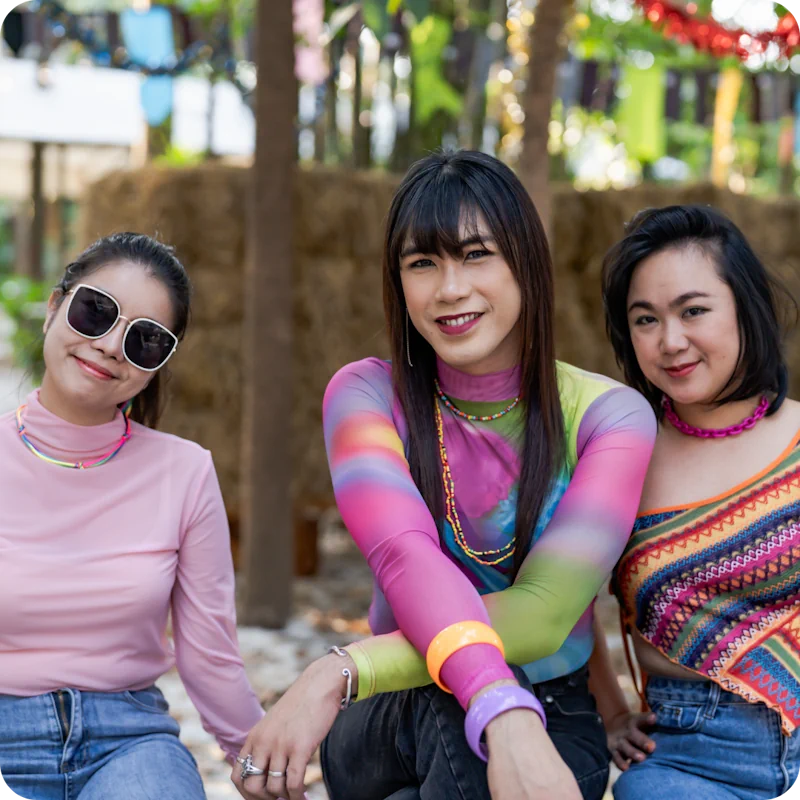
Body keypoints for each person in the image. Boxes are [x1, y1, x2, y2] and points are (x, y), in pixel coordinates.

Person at [234, 150, 656, 800]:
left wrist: (339, 669)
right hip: (392, 710)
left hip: (551, 708)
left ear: (526, 262)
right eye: (422, 263)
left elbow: (545, 617)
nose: (450, 288)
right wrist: (498, 705)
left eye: (477, 254)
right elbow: (402, 553)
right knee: (455, 714)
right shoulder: (367, 396)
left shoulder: (608, 419)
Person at [0, 233, 265, 799]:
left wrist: (255, 761)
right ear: (54, 307)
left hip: (127, 744)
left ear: (155, 366)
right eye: (96, 311)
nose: (112, 346)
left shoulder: (186, 473)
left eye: (145, 340)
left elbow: (211, 654)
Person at [592, 204, 800, 799]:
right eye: (646, 319)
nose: (671, 341)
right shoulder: (616, 454)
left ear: (745, 306)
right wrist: (610, 712)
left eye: (694, 311)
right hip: (689, 759)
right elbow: (562, 603)